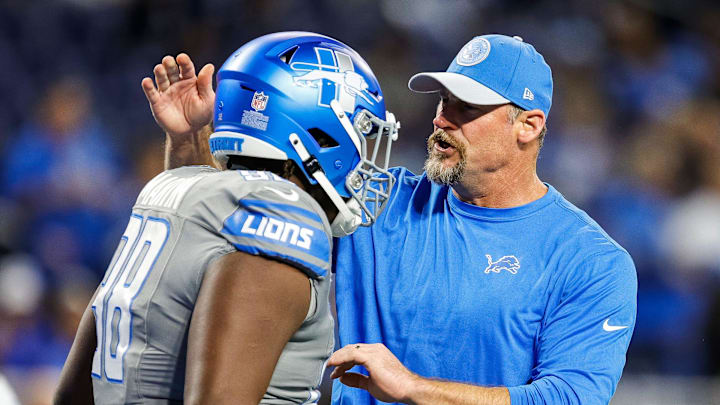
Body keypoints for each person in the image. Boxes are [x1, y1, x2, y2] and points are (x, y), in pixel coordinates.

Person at [53, 31, 399, 404]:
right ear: (322, 135)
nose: (366, 158)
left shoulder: (170, 188)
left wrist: (187, 141)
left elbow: (74, 392)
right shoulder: (286, 214)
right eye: (363, 133)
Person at [326, 34, 637, 405]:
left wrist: (413, 388)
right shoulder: (376, 203)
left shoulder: (590, 260)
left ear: (529, 125)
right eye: (444, 100)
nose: (441, 118)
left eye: (467, 107)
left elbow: (568, 397)